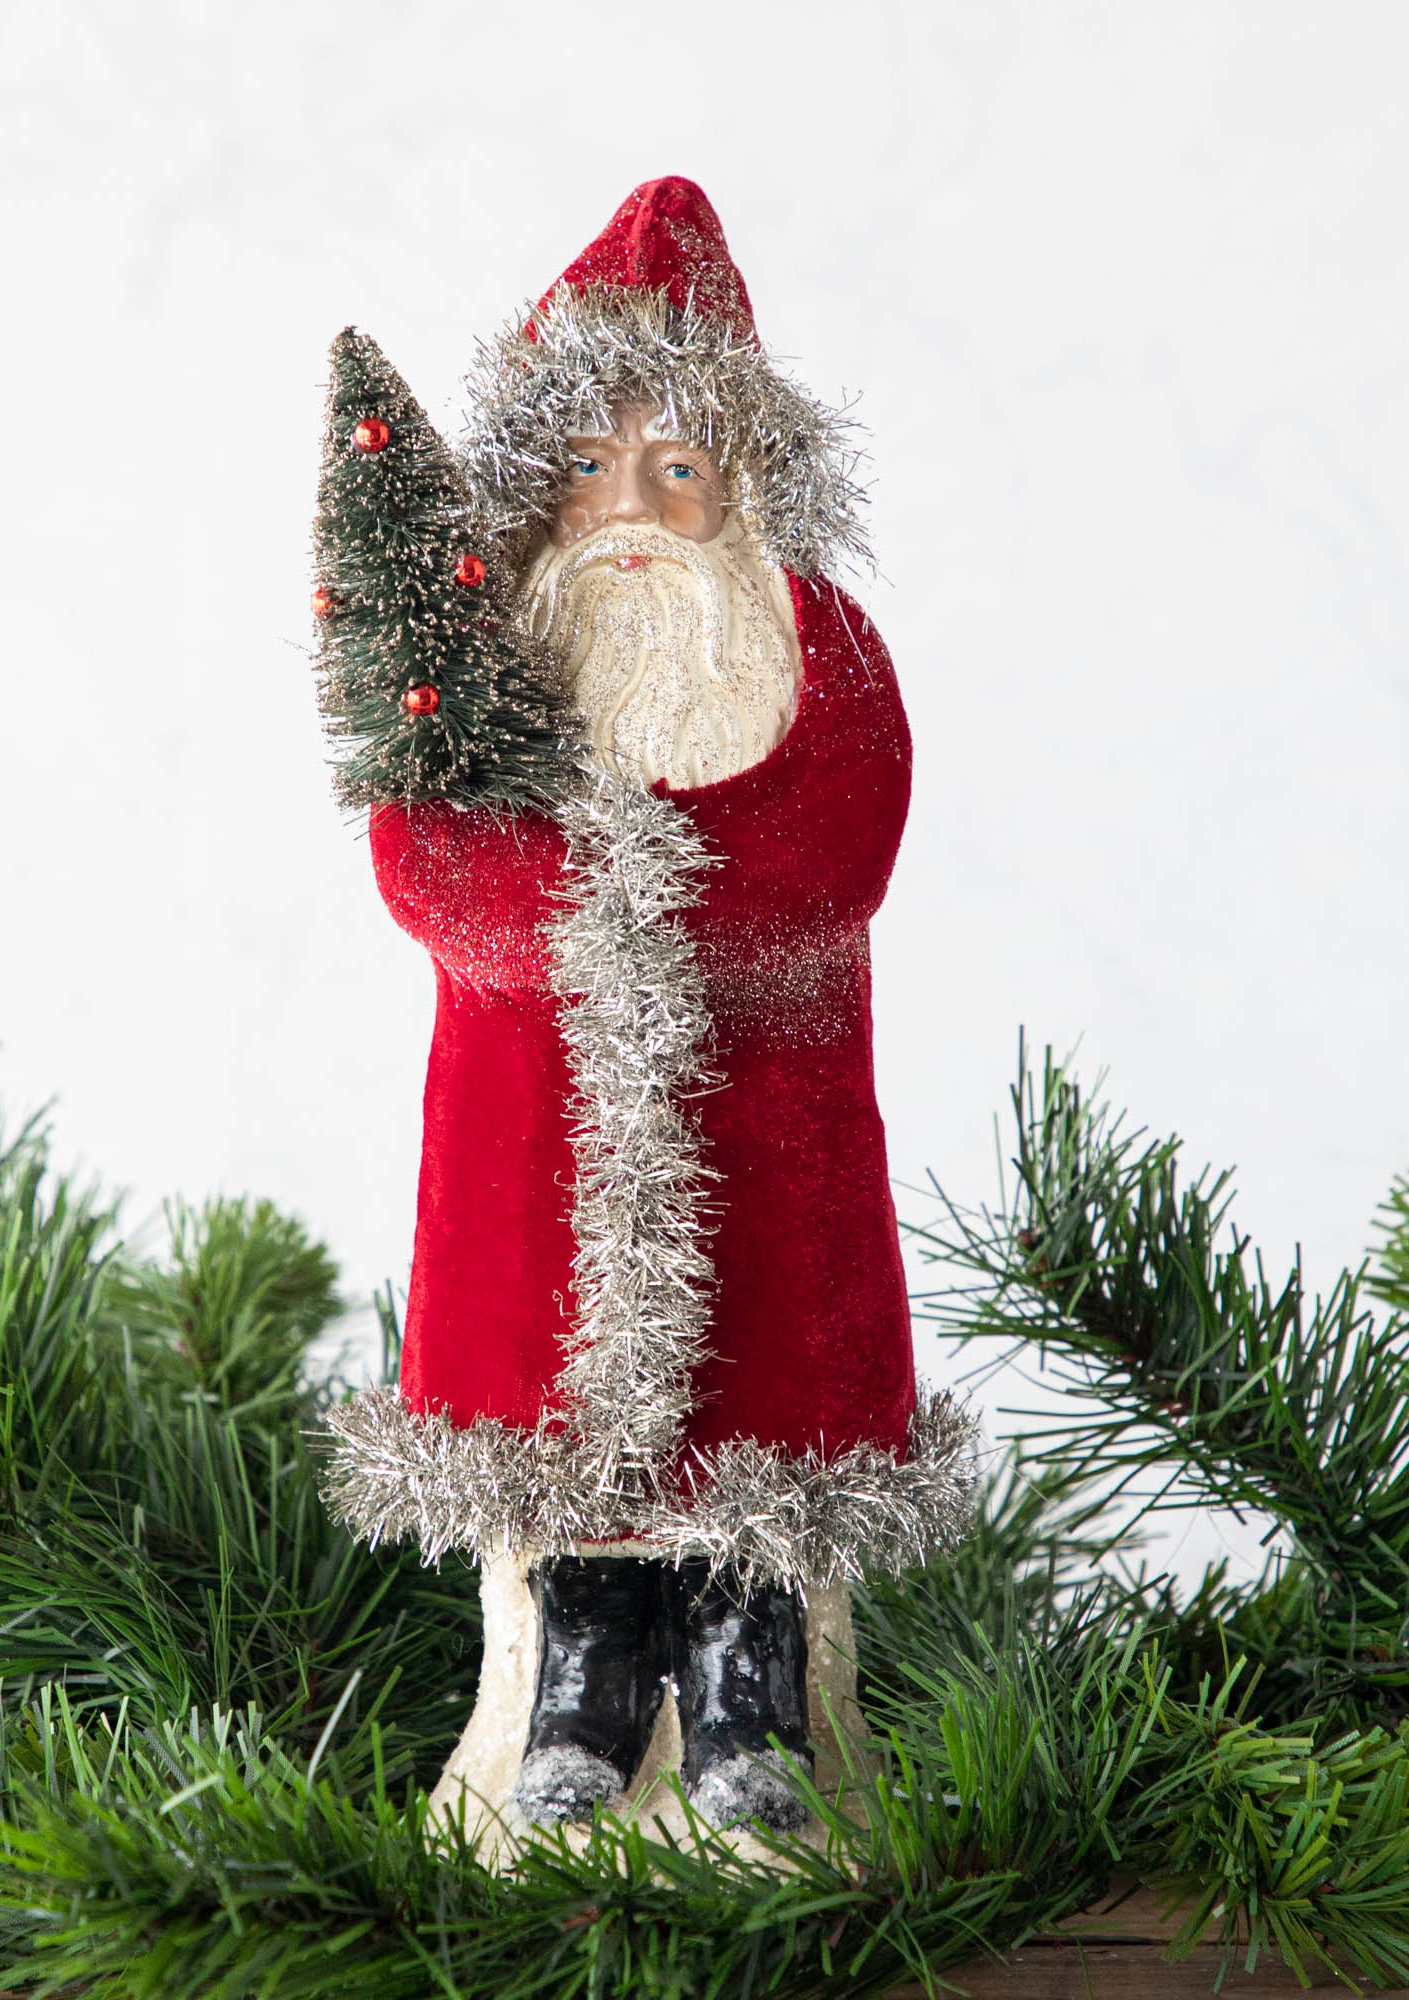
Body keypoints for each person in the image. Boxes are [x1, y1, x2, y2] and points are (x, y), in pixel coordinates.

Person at [323, 177, 973, 1830]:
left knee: (765, 1427)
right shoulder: (476, 663)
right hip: (527, 1128)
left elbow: (838, 846)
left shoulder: (813, 647)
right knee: (553, 1443)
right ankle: (580, 1687)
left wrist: (653, 898)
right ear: (540, 487)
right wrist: (580, 909)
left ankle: (754, 1698)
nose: (630, 504)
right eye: (596, 466)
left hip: (765, 1123)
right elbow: (427, 861)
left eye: (676, 469)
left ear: (740, 483)